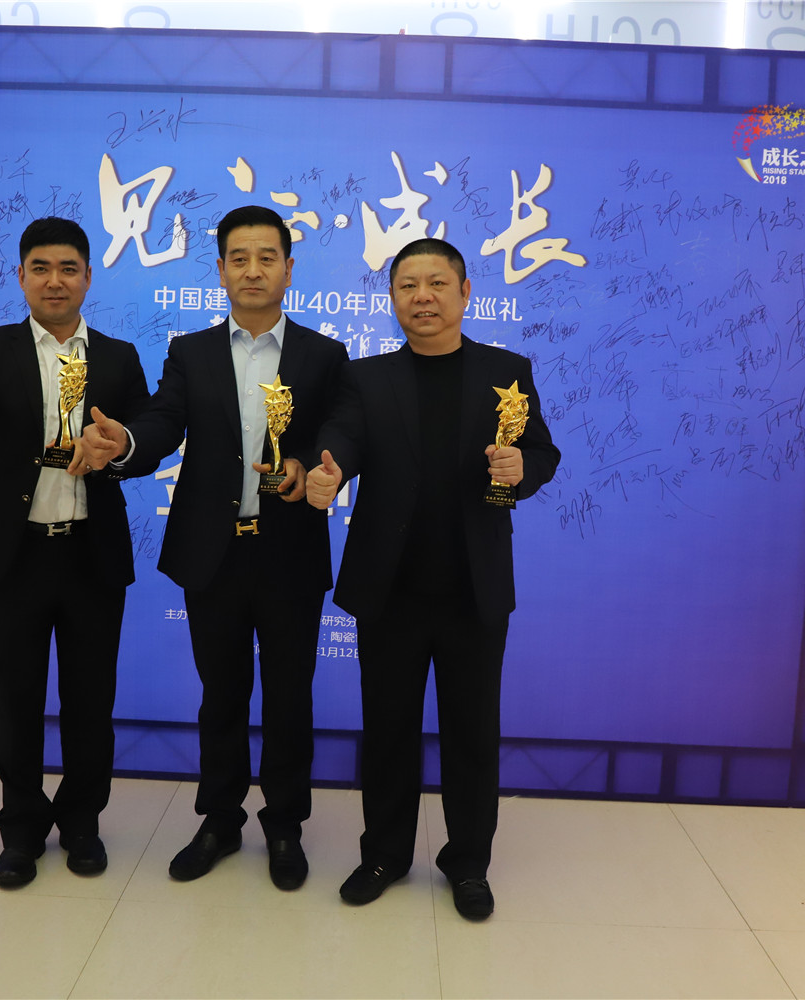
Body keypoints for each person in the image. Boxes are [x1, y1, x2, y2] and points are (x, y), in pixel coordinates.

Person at [79, 205, 347, 890]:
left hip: (289, 553)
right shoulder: (190, 352)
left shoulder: (324, 354)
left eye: (267, 257)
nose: (253, 270)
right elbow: (164, 420)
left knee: (289, 697)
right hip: (213, 553)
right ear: (222, 270)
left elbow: (340, 431)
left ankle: (284, 825)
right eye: (239, 258)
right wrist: (126, 442)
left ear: (289, 269)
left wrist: (312, 464)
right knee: (221, 694)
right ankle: (220, 820)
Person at [305, 237, 560, 920]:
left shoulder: (507, 372)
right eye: (407, 285)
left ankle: (468, 863)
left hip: (474, 589)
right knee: (387, 729)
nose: (423, 297)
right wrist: (331, 469)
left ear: (465, 292)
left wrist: (523, 471)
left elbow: (541, 451)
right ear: (392, 298)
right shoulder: (366, 377)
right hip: (390, 589)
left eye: (437, 284)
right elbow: (343, 436)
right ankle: (384, 854)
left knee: (472, 734)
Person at [0, 217, 150, 888]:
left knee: (90, 703)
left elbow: (145, 438)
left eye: (68, 268)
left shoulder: (119, 357)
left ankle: (81, 823)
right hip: (13, 557)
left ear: (88, 278)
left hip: (90, 555)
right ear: (20, 277)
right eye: (40, 268)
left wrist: (120, 448)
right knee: (16, 702)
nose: (54, 281)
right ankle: (20, 829)